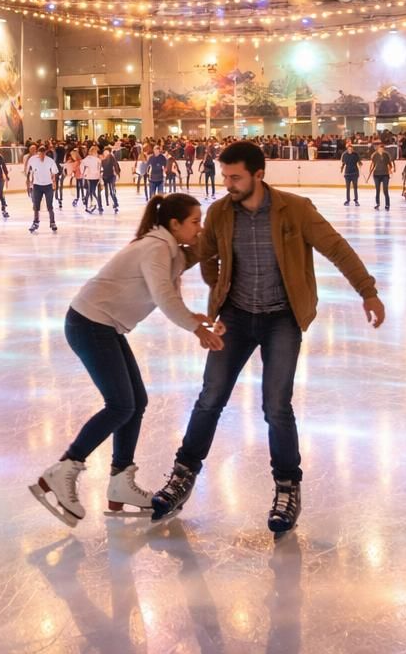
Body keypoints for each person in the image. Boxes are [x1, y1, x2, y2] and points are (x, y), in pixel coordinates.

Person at [149, 141, 384, 534]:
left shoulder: (295, 209)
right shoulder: (221, 211)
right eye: (224, 176)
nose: (228, 184)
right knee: (210, 398)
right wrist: (206, 281)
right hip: (236, 318)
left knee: (277, 406)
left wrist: (368, 291)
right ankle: (182, 476)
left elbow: (337, 249)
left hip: (281, 319)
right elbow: (204, 253)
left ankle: (287, 487)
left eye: (235, 177)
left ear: (259, 174)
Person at [29, 194, 226, 526]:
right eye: (195, 221)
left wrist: (195, 315)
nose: (200, 227)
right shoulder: (155, 248)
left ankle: (121, 482)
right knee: (121, 405)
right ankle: (63, 470)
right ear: (174, 224)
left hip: (103, 326)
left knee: (136, 401)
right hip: (89, 323)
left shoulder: (168, 249)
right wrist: (195, 328)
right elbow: (163, 296)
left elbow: (172, 288)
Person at [26, 144, 59, 233]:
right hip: (37, 185)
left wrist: (54, 183)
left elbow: (54, 173)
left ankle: (52, 222)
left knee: (50, 205)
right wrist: (29, 183)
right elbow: (29, 171)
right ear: (38, 153)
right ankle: (35, 222)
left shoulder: (50, 161)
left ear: (45, 153)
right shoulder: (33, 160)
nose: (42, 157)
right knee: (36, 205)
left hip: (48, 185)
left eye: (43, 155)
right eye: (40, 154)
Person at [365, 142, 395, 211]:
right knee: (377, 190)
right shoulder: (374, 155)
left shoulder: (386, 155)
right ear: (378, 149)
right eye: (379, 149)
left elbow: (389, 164)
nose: (381, 150)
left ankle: (387, 205)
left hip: (385, 174)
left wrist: (390, 170)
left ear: (383, 149)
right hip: (376, 175)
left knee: (385, 190)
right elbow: (372, 164)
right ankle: (377, 203)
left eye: (382, 149)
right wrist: (370, 170)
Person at [100, 145, 122, 213]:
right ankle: (109, 202)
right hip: (106, 176)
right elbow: (101, 169)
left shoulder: (111, 158)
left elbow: (115, 166)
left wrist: (117, 174)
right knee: (108, 190)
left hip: (111, 176)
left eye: (107, 153)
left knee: (112, 190)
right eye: (105, 153)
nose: (106, 154)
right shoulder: (102, 161)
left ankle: (115, 203)